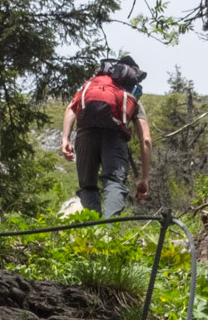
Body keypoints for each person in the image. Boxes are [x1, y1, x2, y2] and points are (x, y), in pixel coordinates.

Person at [60, 56, 151, 217]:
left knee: (88, 186)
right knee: (114, 182)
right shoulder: (130, 97)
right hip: (114, 136)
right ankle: (108, 231)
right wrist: (144, 177)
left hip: (85, 133)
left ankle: (92, 231)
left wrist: (65, 139)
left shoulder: (89, 87)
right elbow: (146, 140)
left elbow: (71, 108)